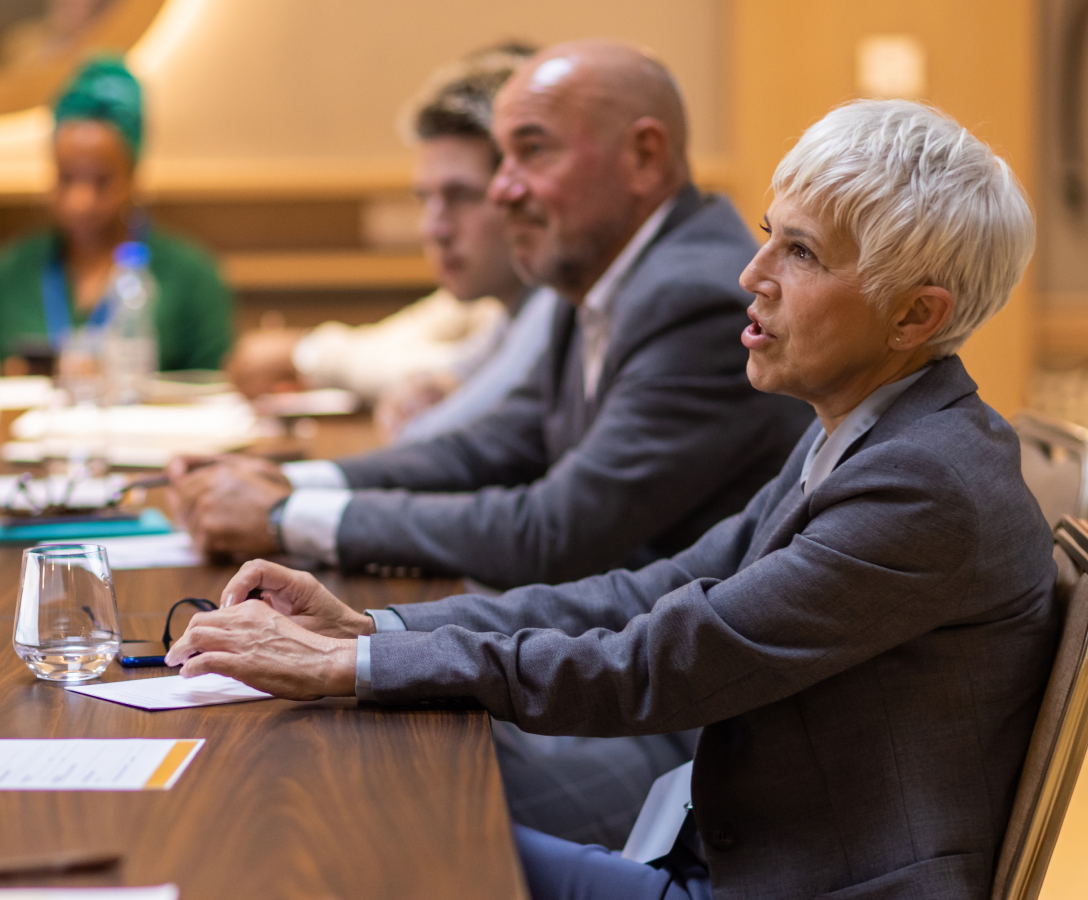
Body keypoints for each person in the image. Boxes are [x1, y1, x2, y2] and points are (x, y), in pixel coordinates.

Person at [166, 98, 1058, 900]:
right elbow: (651, 590)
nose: (752, 276)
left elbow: (662, 660)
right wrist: (374, 634)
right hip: (727, 847)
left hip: (790, 882)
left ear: (914, 318)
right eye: (767, 233)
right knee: (371, 805)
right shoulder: (864, 427)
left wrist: (349, 669)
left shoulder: (923, 484)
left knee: (380, 839)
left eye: (801, 252)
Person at [168, 41, 812, 590]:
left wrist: (285, 514)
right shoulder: (601, 270)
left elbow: (555, 532)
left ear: (643, 157)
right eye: (501, 160)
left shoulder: (692, 295)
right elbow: (492, 447)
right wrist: (291, 481)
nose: (503, 189)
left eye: (531, 152)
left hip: (665, 703)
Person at [227, 43, 556, 441]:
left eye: (463, 197)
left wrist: (306, 353)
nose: (434, 229)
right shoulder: (498, 299)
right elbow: (408, 344)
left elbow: (451, 396)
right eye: (425, 199)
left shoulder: (556, 303)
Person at [0, 57, 233, 373]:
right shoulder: (13, 271)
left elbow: (218, 388)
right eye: (67, 178)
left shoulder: (190, 276)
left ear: (133, 178)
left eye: (102, 181)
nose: (81, 201)